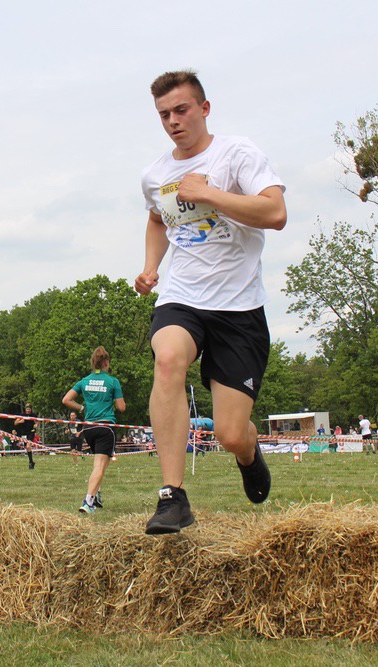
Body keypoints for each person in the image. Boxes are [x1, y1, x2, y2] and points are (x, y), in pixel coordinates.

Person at [135, 70, 286, 534]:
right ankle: (172, 497)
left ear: (204, 108)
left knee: (229, 433)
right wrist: (151, 266)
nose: (173, 121)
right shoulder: (155, 174)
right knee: (167, 359)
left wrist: (209, 194)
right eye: (164, 114)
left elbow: (275, 212)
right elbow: (158, 221)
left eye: (181, 110)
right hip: (182, 297)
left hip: (238, 307)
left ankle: (248, 452)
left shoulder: (236, 153)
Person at [63, 346, 126, 514]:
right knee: (100, 465)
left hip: (89, 428)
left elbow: (66, 399)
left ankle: (96, 495)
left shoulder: (84, 381)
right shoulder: (112, 381)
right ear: (106, 362)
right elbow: (121, 407)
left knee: (99, 464)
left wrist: (82, 408)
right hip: (106, 427)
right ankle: (88, 502)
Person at [14, 404, 38, 470]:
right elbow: (15, 423)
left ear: (31, 409)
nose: (28, 410)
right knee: (27, 448)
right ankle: (31, 462)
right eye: (27, 409)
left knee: (28, 446)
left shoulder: (33, 415)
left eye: (29, 409)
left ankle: (30, 463)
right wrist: (20, 421)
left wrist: (36, 424)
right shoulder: (22, 415)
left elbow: (38, 421)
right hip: (24, 433)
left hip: (31, 432)